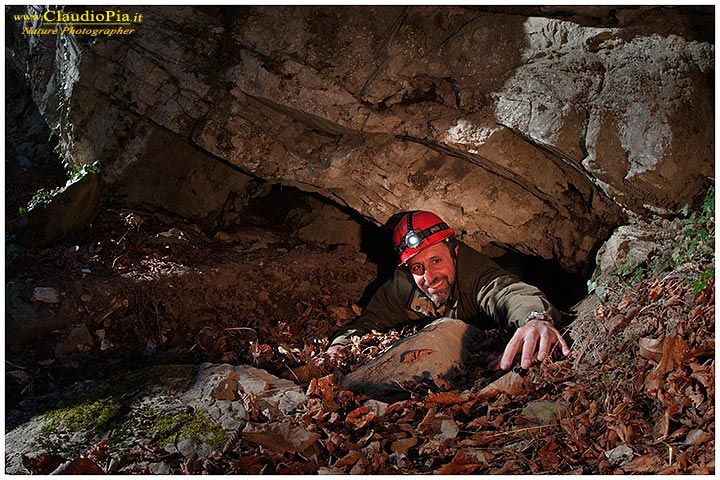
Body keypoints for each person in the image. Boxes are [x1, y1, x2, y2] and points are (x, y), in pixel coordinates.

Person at [315, 210, 570, 373]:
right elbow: (368, 322)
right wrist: (338, 347)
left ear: (454, 253)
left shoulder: (474, 274)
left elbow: (507, 292)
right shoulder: (403, 286)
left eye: (436, 261)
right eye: (418, 267)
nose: (429, 277)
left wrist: (535, 318)